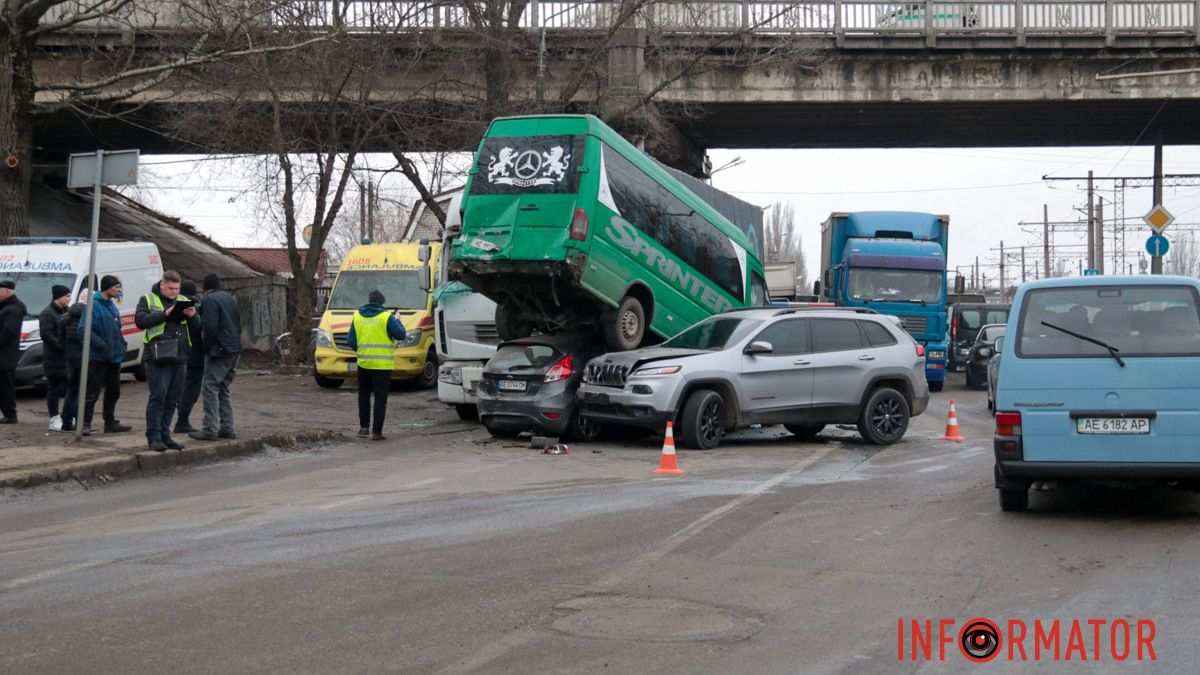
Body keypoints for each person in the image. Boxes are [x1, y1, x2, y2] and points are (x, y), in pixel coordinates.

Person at [135, 271, 196, 452]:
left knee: (173, 398)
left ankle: (165, 434)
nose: (174, 292)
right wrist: (165, 314)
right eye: (171, 288)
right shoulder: (147, 299)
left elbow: (196, 327)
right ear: (162, 285)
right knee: (158, 397)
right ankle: (153, 437)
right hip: (157, 356)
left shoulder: (183, 300)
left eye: (177, 288)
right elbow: (140, 321)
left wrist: (193, 316)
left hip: (180, 355)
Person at [346, 289, 405, 441]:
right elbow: (401, 335)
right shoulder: (386, 317)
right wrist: (398, 319)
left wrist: (361, 350)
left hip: (364, 363)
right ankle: (377, 432)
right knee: (380, 397)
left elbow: (351, 340)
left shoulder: (357, 316)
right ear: (381, 302)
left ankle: (363, 427)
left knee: (363, 394)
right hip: (382, 365)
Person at [190, 273, 242, 441]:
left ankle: (210, 429)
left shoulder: (209, 300)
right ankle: (228, 427)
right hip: (234, 349)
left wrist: (206, 348)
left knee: (210, 387)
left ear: (205, 289)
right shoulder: (230, 298)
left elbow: (210, 326)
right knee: (223, 388)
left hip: (220, 350)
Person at [79, 275, 132, 434]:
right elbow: (83, 330)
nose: (118, 290)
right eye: (116, 287)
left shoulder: (111, 305)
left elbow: (116, 328)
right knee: (92, 391)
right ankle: (85, 423)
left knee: (113, 391)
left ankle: (110, 422)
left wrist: (121, 344)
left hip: (114, 356)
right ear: (107, 288)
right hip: (99, 357)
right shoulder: (93, 306)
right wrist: (100, 344)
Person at [61, 278, 92, 432]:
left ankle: (66, 421)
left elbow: (62, 336)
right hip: (83, 356)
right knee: (82, 389)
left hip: (70, 356)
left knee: (71, 389)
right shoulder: (87, 315)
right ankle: (79, 421)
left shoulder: (68, 315)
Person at [174, 280, 205, 434]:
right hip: (196, 355)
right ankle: (182, 420)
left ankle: (180, 416)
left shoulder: (174, 306)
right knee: (191, 389)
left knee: (180, 387)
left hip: (178, 353)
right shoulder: (196, 307)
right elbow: (200, 329)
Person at [39, 284, 72, 431]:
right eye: (67, 296)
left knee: (67, 387)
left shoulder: (67, 312)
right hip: (53, 357)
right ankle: (54, 417)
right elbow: (46, 334)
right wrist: (60, 346)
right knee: (55, 388)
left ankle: (68, 417)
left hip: (66, 357)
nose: (69, 299)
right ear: (59, 297)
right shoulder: (47, 313)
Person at [0, 280, 26, 424]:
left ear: (7, 291)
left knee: (6, 385)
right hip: (5, 355)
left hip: (6, 355)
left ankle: (10, 414)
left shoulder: (12, 309)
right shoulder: (6, 307)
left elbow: (8, 332)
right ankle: (7, 412)